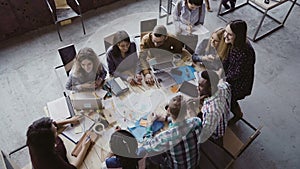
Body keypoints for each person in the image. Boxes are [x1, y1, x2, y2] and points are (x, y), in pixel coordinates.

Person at [142, 95, 202, 169]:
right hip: (194, 164)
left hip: (175, 167)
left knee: (152, 155)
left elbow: (147, 146)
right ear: (186, 110)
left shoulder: (166, 137)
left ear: (168, 110)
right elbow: (185, 122)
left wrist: (149, 124)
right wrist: (167, 118)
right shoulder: (196, 122)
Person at [222, 20, 256, 125]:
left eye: (230, 34)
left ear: (238, 36)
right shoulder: (233, 43)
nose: (225, 36)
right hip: (231, 75)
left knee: (231, 100)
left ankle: (238, 114)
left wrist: (223, 79)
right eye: (225, 32)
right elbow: (227, 59)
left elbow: (237, 73)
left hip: (239, 83)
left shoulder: (245, 52)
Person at [26, 117, 91, 169]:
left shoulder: (33, 137)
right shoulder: (50, 160)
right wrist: (84, 148)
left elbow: (52, 125)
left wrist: (69, 120)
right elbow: (73, 168)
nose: (56, 127)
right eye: (55, 132)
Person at [188, 70, 231, 145]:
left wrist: (191, 110)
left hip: (216, 132)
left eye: (201, 86)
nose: (197, 88)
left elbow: (204, 135)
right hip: (223, 117)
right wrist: (202, 97)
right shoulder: (224, 86)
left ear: (211, 88)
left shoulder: (210, 111)